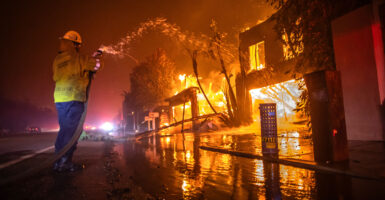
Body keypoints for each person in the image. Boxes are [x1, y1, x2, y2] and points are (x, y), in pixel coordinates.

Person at [52, 30, 102, 172]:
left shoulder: (57, 60)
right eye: (78, 45)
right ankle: (64, 162)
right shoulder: (79, 58)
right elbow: (96, 66)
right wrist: (97, 58)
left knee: (64, 130)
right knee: (73, 132)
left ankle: (58, 160)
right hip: (74, 98)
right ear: (74, 45)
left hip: (60, 99)